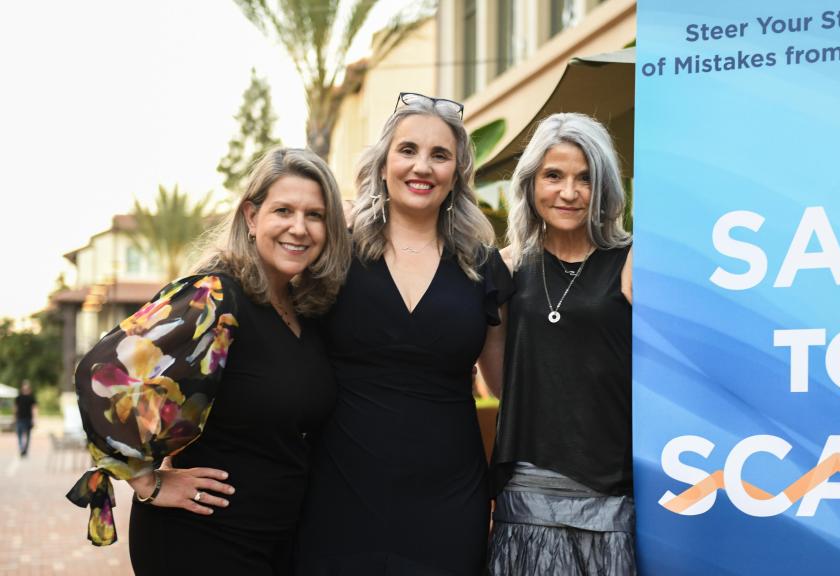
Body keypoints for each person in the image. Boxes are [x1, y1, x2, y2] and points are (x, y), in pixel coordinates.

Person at [66, 148, 349, 575]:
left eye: (315, 215)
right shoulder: (214, 297)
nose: (299, 228)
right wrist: (148, 482)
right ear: (251, 218)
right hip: (200, 540)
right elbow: (101, 376)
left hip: (273, 539)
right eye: (284, 211)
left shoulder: (303, 311)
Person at [295, 92, 511, 575]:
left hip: (450, 501)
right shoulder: (333, 253)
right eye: (408, 150)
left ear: (457, 173)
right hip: (337, 492)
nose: (423, 167)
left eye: (440, 155)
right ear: (384, 162)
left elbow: (507, 388)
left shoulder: (484, 268)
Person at [488, 113, 634, 575]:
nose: (569, 193)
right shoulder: (506, 268)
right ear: (531, 184)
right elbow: (497, 384)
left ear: (605, 188)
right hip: (528, 494)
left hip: (613, 494)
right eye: (554, 176)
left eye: (585, 178)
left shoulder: (633, 259)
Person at [15, 380, 36, 457]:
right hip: (20, 418)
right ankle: (22, 448)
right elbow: (15, 408)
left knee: (27, 436)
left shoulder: (31, 398)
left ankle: (24, 449)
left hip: (28, 419)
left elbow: (34, 408)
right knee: (20, 435)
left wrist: (34, 419)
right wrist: (15, 417)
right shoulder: (18, 397)